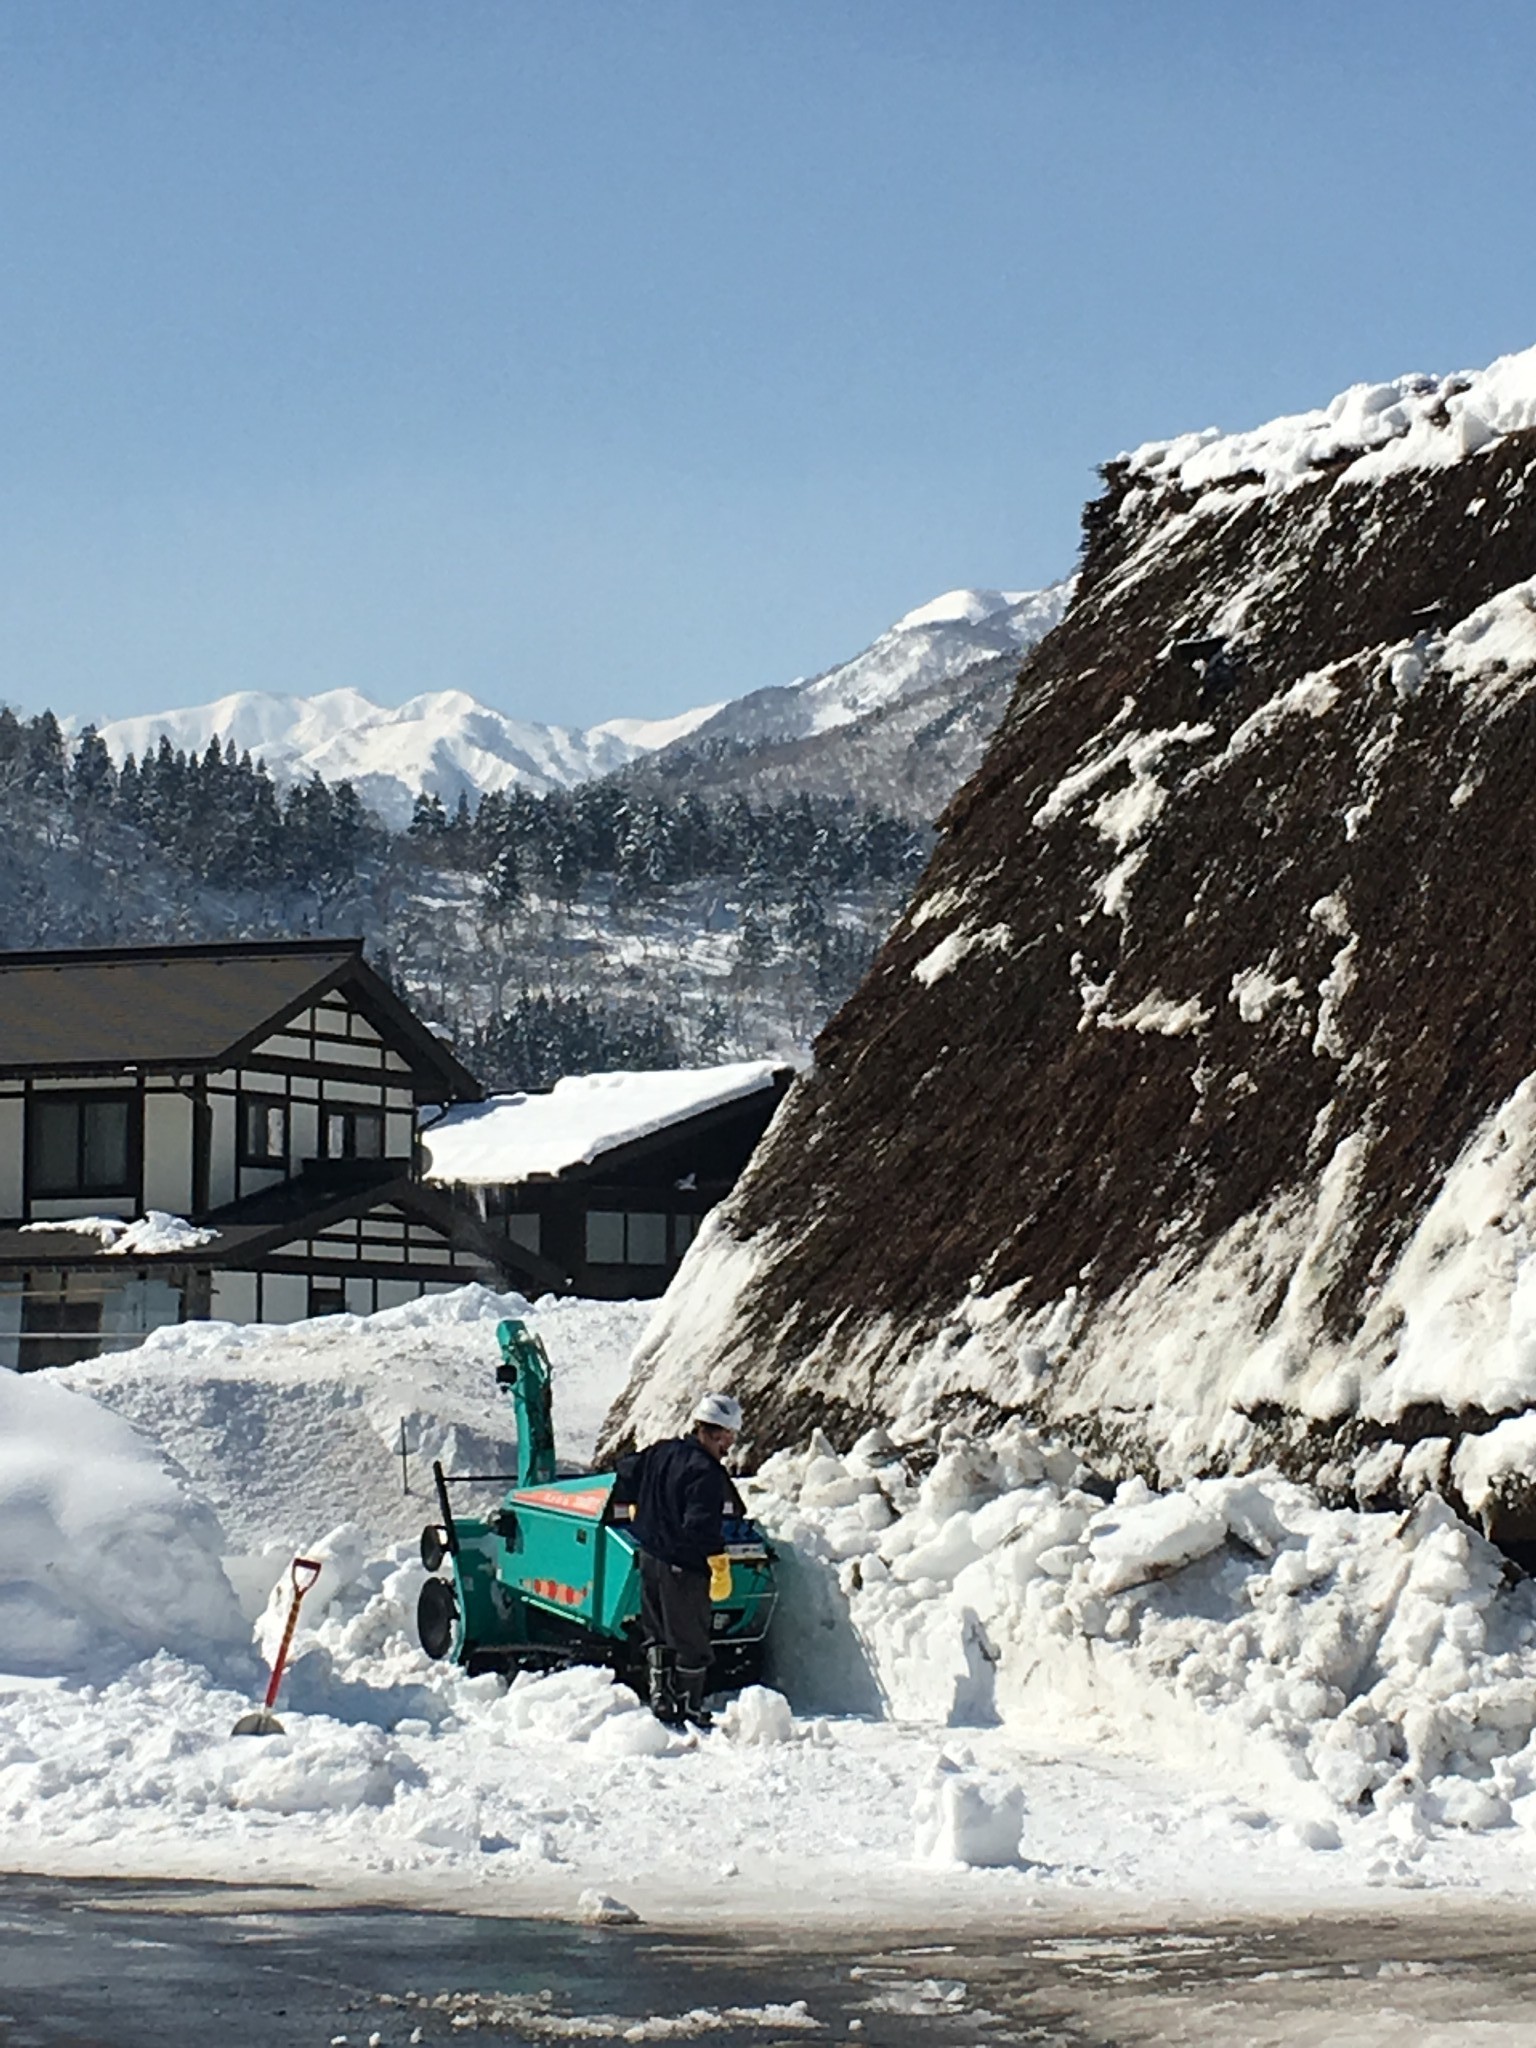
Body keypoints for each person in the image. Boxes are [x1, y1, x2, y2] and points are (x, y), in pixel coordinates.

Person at [616, 1391, 744, 1730]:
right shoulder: (705, 1473)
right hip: (683, 1567)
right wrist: (717, 1561)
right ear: (715, 1432)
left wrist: (638, 1507)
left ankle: (662, 1696)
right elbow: (700, 1527)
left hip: (650, 1558)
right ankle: (690, 1705)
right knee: (691, 1639)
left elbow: (626, 1470)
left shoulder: (662, 1451)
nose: (729, 1446)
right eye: (728, 1437)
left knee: (656, 1630)